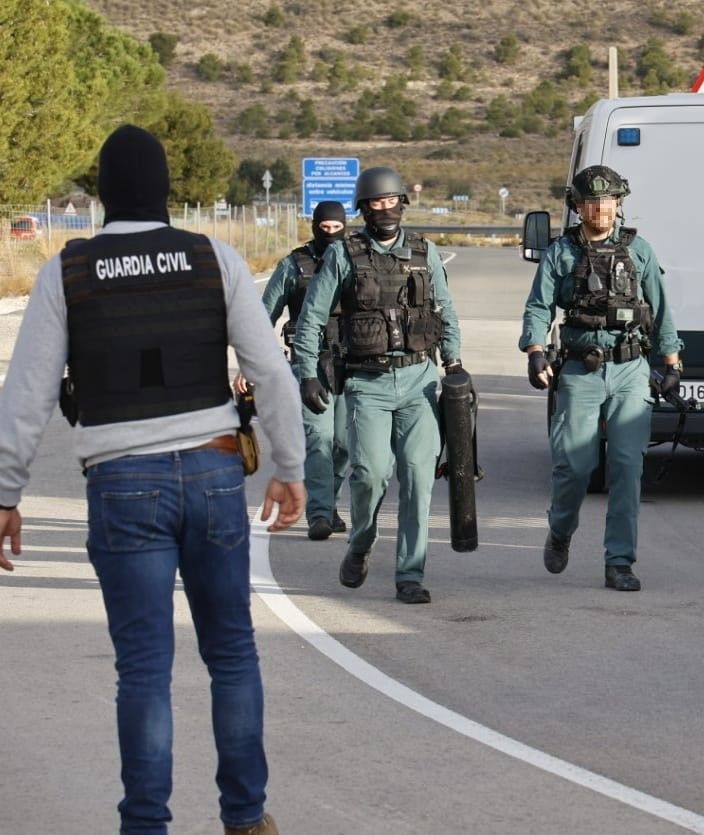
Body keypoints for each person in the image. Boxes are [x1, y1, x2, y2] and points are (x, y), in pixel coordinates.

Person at [0, 125, 304, 834]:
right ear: (167, 188)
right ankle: (247, 818)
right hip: (214, 471)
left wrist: (6, 493)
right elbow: (270, 372)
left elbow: (27, 395)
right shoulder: (213, 258)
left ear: (102, 192)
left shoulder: (68, 270)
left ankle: (145, 824)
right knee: (231, 651)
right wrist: (290, 469)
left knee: (143, 668)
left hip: (122, 483)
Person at [293, 166, 462, 605]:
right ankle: (362, 544)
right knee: (369, 474)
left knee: (418, 475)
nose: (383, 210)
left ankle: (410, 572)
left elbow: (445, 310)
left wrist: (455, 363)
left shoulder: (426, 253)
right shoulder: (342, 256)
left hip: (419, 380)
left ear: (402, 204)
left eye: (390, 202)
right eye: (374, 203)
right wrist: (307, 373)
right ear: (363, 209)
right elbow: (311, 319)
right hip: (366, 383)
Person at [519, 164, 683, 592]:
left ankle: (619, 562)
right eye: (591, 202)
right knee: (574, 467)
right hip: (579, 369)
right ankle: (560, 529)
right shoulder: (561, 253)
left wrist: (671, 360)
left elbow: (661, 308)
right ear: (577, 206)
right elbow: (539, 307)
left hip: (630, 369)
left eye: (608, 201)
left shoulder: (639, 250)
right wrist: (535, 351)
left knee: (627, 467)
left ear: (619, 204)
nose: (600, 209)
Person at [239, 200, 349, 541]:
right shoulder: (294, 266)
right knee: (319, 438)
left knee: (344, 444)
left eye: (336, 228)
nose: (330, 234)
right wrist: (250, 365)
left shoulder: (355, 260)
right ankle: (319, 514)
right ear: (314, 226)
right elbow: (262, 318)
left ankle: (327, 503)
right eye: (324, 228)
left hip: (352, 362)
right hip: (308, 363)